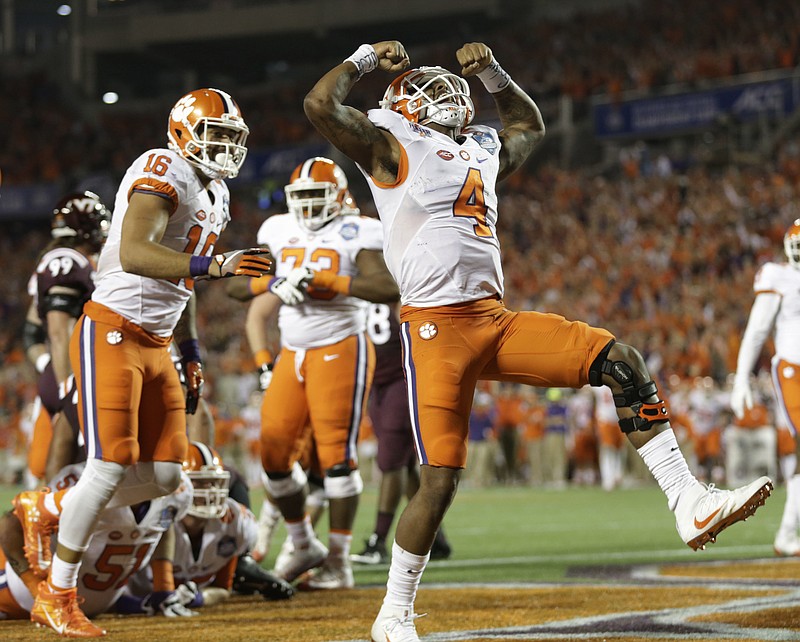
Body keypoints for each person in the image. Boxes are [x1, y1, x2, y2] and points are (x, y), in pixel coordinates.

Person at [303, 40, 774, 640]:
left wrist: (497, 75)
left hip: (493, 321)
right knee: (441, 480)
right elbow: (321, 103)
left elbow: (527, 124)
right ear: (402, 103)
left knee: (621, 361)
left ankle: (687, 499)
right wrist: (366, 57)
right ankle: (393, 613)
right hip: (435, 330)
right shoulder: (388, 144)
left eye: (452, 89)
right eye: (430, 90)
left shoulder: (476, 148)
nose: (447, 96)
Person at [17, 87, 272, 638]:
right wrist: (217, 263)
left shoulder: (217, 192)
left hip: (158, 341)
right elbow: (135, 253)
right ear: (182, 132)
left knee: (165, 476)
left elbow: (182, 281)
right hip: (113, 330)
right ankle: (56, 596)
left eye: (233, 137)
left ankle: (51, 504)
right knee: (110, 465)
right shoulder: (164, 167)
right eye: (215, 134)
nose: (225, 147)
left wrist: (191, 350)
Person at [227, 156, 399, 590]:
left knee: (337, 461)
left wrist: (333, 283)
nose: (307, 206)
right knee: (274, 454)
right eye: (300, 197)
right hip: (293, 351)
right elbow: (233, 284)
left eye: (316, 196)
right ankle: (303, 542)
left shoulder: (358, 229)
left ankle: (339, 561)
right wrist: (271, 283)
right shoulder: (277, 230)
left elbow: (387, 287)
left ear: (338, 196)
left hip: (342, 345)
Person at [0, 461, 196, 624]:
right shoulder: (80, 480)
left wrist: (164, 587)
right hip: (13, 595)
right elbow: (9, 525)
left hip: (93, 608)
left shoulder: (176, 488)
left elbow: (162, 523)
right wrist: (40, 594)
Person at [125, 442, 293, 608]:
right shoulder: (155, 519)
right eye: (199, 483)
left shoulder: (234, 522)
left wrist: (199, 598)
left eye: (213, 483)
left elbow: (222, 588)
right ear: (179, 486)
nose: (210, 492)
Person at [351, 302, 451, 565]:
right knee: (404, 465)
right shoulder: (360, 284)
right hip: (378, 385)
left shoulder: (394, 284)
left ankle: (378, 541)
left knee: (391, 463)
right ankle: (434, 538)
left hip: (401, 380)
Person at [22, 191, 111, 483]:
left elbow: (32, 331)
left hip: (65, 370)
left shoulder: (67, 260)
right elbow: (59, 333)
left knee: (70, 471)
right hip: (75, 373)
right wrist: (66, 386)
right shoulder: (65, 260)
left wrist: (45, 366)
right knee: (84, 469)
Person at [731, 219, 800, 556]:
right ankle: (787, 534)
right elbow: (757, 329)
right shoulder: (780, 275)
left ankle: (788, 534)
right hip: (793, 370)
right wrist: (742, 376)